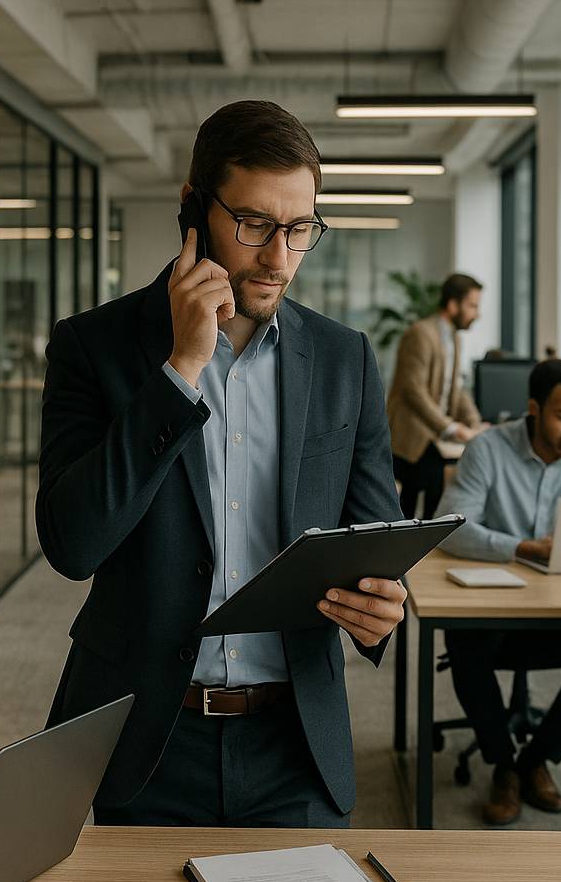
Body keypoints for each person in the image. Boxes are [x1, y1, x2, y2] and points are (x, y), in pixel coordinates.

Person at [36, 100, 408, 828]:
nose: (279, 258)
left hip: (294, 742)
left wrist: (381, 606)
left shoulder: (344, 359)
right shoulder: (96, 347)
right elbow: (72, 545)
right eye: (256, 225)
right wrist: (179, 372)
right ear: (193, 210)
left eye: (301, 230)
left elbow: (374, 536)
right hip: (146, 740)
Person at [436, 358, 561, 825]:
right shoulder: (488, 450)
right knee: (463, 639)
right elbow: (451, 528)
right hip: (496, 611)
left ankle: (537, 758)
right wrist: (520, 547)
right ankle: (502, 763)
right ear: (534, 409)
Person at [386, 273, 487, 518]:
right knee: (429, 489)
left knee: (435, 489)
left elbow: (457, 388)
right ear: (453, 305)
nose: (477, 313)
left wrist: (474, 422)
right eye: (472, 305)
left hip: (434, 436)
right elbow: (414, 391)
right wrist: (451, 428)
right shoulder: (420, 334)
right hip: (411, 436)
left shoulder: (453, 338)